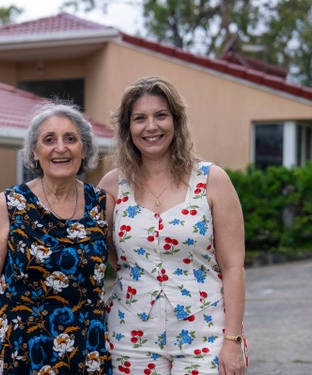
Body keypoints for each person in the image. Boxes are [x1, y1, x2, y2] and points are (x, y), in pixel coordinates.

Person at [98, 76, 247, 375]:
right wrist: (7, 224)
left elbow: (233, 267)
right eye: (140, 118)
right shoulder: (113, 185)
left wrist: (232, 339)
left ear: (176, 121)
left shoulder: (212, 180)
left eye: (161, 115)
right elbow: (82, 240)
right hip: (130, 333)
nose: (151, 126)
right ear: (128, 129)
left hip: (204, 332)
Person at [0, 101, 116, 375]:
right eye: (49, 140)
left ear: (84, 149)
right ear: (35, 152)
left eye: (70, 139)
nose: (60, 147)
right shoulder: (9, 204)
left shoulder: (101, 204)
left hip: (86, 352)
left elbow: (128, 260)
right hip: (21, 351)